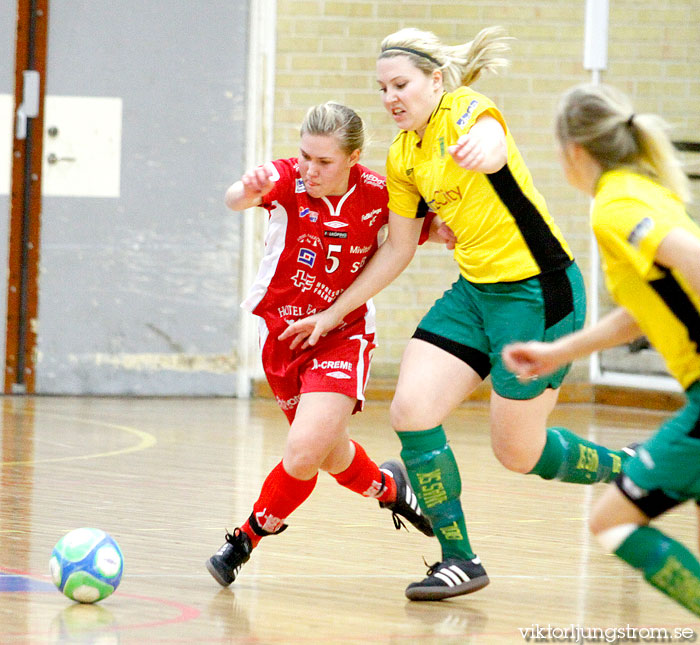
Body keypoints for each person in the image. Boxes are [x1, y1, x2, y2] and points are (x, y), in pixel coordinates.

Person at [280, 28, 631, 601]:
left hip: (539, 293)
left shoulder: (466, 110)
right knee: (412, 411)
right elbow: (396, 249)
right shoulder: (402, 155)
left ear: (435, 81)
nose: (392, 97)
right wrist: (330, 313)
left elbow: (491, 139)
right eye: (383, 88)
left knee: (518, 452)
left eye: (402, 84)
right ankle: (458, 559)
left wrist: (485, 152)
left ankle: (629, 469)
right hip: (475, 295)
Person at [206, 102, 439, 588]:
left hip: (341, 334)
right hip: (282, 336)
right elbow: (234, 198)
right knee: (328, 454)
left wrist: (442, 229)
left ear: (354, 157)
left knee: (304, 450)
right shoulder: (287, 178)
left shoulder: (379, 192)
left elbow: (417, 231)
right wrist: (244, 190)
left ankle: (245, 537)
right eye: (306, 156)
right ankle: (391, 488)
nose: (311, 169)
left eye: (325, 161)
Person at [503, 84, 700, 616]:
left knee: (610, 521)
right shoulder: (646, 189)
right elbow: (640, 313)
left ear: (573, 151)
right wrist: (557, 352)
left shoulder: (616, 204)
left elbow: (694, 258)